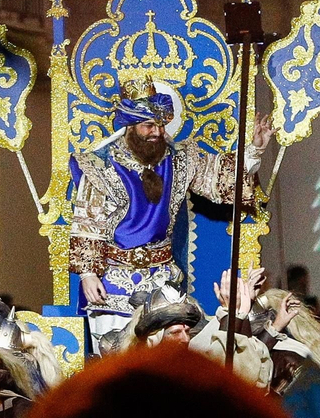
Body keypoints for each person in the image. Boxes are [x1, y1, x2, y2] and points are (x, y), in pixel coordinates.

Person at [69, 78, 270, 347]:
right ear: (130, 125)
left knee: (167, 361)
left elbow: (220, 178)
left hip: (162, 281)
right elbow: (86, 221)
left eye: (161, 125)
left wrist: (255, 149)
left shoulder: (180, 158)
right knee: (116, 364)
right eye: (149, 126)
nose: (157, 133)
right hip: (113, 282)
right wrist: (88, 274)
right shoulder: (100, 164)